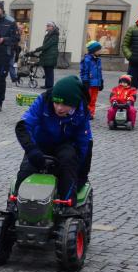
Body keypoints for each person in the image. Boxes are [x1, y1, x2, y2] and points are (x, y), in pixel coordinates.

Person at [14, 75, 92, 204]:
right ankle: (15, 206)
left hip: (65, 146)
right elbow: (23, 126)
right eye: (56, 102)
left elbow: (85, 143)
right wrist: (32, 150)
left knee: (69, 166)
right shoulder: (43, 100)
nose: (59, 108)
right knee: (25, 172)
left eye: (64, 104)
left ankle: (68, 206)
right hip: (40, 144)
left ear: (74, 103)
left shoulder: (81, 112)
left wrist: (81, 174)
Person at [79, 40, 104, 119]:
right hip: (89, 83)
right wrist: (85, 81)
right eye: (99, 50)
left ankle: (91, 113)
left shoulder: (98, 60)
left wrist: (101, 82)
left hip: (96, 84)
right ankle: (85, 113)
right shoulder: (87, 60)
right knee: (87, 99)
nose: (100, 51)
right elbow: (84, 71)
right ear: (94, 51)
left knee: (93, 99)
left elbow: (99, 72)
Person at [31, 21, 60, 89]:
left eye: (48, 26)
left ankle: (49, 85)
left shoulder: (54, 36)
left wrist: (36, 50)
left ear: (52, 27)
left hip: (51, 56)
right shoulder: (49, 34)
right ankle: (47, 85)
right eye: (47, 26)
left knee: (49, 71)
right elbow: (45, 46)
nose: (47, 27)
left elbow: (46, 46)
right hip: (47, 55)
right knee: (47, 70)